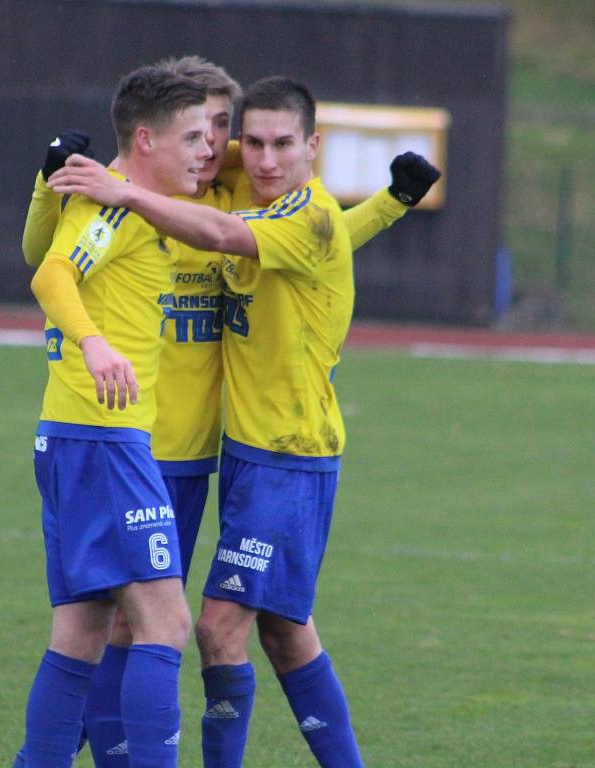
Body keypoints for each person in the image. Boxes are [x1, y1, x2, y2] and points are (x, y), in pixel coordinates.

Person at [46, 75, 440, 768]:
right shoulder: (238, 186)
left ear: (313, 146)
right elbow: (188, 164)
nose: (261, 158)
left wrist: (126, 190)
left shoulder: (307, 216)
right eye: (247, 141)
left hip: (292, 454)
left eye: (281, 144)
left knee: (213, 628)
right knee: (277, 633)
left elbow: (236, 234)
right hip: (235, 455)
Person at [21, 55, 242, 765]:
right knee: (166, 622)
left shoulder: (126, 203)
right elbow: (51, 272)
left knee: (81, 631)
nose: (206, 151)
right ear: (144, 141)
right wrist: (94, 345)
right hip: (102, 438)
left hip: (78, 437)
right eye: (190, 139)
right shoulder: (111, 208)